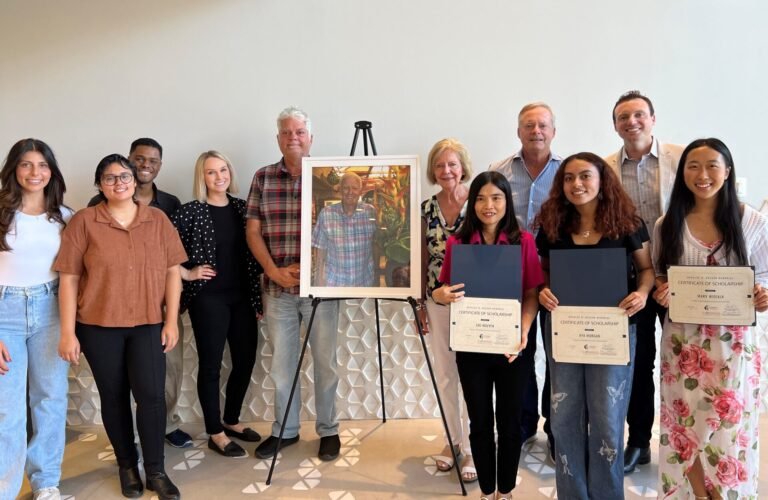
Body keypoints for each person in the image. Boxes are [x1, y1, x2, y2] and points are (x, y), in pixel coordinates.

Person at [56, 154, 187, 500]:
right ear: (100, 184)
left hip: (147, 323)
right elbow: (69, 279)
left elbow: (173, 272)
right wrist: (68, 332)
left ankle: (156, 471)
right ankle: (127, 465)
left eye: (125, 176)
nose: (119, 183)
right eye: (110, 178)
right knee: (113, 398)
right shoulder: (84, 222)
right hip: (98, 327)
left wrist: (171, 320)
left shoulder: (157, 220)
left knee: (152, 398)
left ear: (134, 181)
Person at [652, 138, 768, 499]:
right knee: (685, 423)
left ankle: (725, 493)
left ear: (728, 171)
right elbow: (659, 273)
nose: (703, 175)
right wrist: (662, 289)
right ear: (682, 172)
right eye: (693, 166)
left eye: (712, 166)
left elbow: (763, 274)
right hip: (683, 345)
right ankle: (699, 493)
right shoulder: (667, 223)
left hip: (734, 347)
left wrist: (763, 294)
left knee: (728, 423)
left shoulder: (752, 221)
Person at [536, 152, 654, 500]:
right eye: (569, 178)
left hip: (612, 331)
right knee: (564, 417)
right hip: (565, 329)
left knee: (607, 417)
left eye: (585, 176)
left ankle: (607, 494)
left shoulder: (628, 223)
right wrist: (542, 291)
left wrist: (644, 293)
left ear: (602, 180)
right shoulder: (552, 224)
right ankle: (572, 494)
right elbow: (543, 273)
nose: (577, 184)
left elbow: (646, 270)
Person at [432, 171, 543, 500]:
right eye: (480, 198)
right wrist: (442, 296)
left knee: (510, 423)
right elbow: (442, 289)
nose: (488, 205)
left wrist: (523, 332)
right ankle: (485, 490)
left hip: (512, 346)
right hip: (471, 347)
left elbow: (532, 294)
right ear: (472, 202)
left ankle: (505, 491)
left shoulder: (523, 241)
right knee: (480, 423)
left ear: (507, 201)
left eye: (496, 198)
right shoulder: (459, 243)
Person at [246, 107, 341, 461]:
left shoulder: (329, 177)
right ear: (278, 139)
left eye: (299, 132)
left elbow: (342, 232)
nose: (293, 137)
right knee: (282, 366)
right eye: (286, 132)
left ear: (311, 138)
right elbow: (253, 230)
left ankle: (329, 430)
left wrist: (313, 268)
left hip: (322, 290)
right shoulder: (263, 177)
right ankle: (285, 431)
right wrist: (271, 270)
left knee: (325, 363)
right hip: (278, 291)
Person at [87, 138, 191, 449]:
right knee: (121, 384)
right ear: (131, 162)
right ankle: (129, 436)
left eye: (153, 161)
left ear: (160, 166)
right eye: (140, 159)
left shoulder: (169, 205)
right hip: (113, 312)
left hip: (162, 308)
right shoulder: (95, 208)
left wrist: (187, 275)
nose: (146, 165)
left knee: (167, 376)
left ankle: (165, 425)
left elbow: (175, 258)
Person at [604, 91, 684, 474]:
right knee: (637, 363)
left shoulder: (682, 159)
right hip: (629, 281)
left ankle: (686, 437)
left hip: (677, 278)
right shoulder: (604, 167)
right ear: (615, 124)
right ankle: (638, 441)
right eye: (623, 117)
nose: (631, 122)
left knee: (682, 361)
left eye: (638, 115)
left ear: (653, 119)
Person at [171, 151, 263, 459]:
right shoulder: (190, 212)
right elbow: (161, 251)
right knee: (211, 366)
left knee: (245, 359)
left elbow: (253, 257)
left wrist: (256, 298)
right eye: (211, 172)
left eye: (223, 170)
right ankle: (215, 432)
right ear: (202, 177)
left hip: (241, 297)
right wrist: (187, 272)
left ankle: (232, 420)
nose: (219, 176)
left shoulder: (242, 209)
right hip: (208, 298)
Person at [0, 139, 72, 500]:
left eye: (42, 165)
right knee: (6, 408)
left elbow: (77, 275)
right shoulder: (0, 213)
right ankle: (5, 489)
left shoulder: (65, 216)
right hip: (4, 314)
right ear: (14, 169)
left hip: (51, 310)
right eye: (26, 165)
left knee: (50, 399)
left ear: (51, 172)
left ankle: (46, 484)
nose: (34, 172)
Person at [489, 102, 561, 456]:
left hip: (558, 279)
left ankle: (556, 427)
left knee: (558, 356)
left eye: (542, 125)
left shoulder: (568, 173)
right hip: (512, 280)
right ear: (518, 132)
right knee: (520, 353)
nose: (536, 131)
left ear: (553, 131)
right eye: (529, 125)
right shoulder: (499, 170)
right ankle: (524, 423)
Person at [419, 138, 475, 482]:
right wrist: (421, 303)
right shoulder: (425, 209)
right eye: (440, 165)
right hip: (437, 300)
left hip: (475, 302)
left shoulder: (482, 200)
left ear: (463, 166)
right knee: (445, 374)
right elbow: (422, 258)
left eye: (452, 164)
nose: (447, 171)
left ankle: (471, 446)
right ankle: (450, 442)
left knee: (474, 375)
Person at [312, 172, 377, 287]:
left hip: (364, 282)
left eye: (354, 188)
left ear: (360, 191)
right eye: (346, 188)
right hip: (334, 283)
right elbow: (320, 250)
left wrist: (376, 278)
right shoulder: (326, 214)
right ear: (340, 190)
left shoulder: (371, 212)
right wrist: (318, 279)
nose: (350, 192)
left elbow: (376, 245)